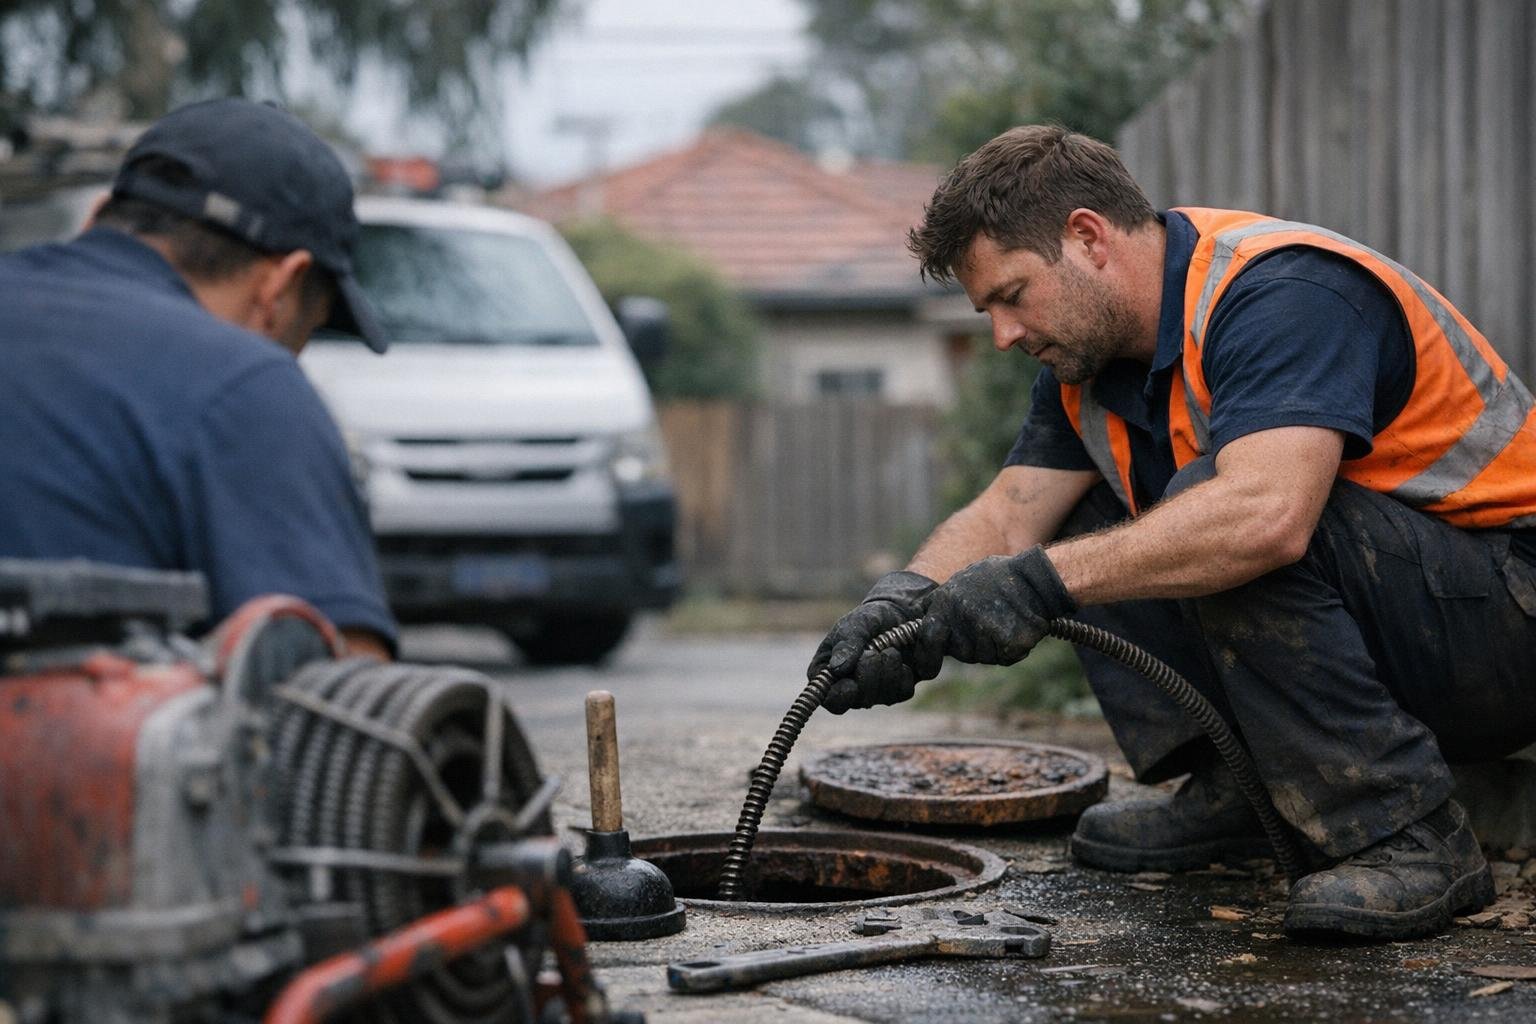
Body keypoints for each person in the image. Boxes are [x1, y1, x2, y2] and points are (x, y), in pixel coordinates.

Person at [810, 124, 1536, 940]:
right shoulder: (1085, 362)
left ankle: (1409, 836)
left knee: (1224, 513)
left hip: (1507, 616)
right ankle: (1243, 782)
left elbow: (1267, 516)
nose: (1003, 336)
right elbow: (1011, 513)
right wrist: (905, 601)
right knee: (1086, 527)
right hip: (1416, 618)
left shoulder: (1283, 293)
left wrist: (1040, 583)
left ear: (1087, 238)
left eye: (1011, 296)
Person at [0, 98, 396, 659]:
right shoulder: (248, 385)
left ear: (96, 220)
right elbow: (350, 709)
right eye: (300, 337)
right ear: (280, 288)